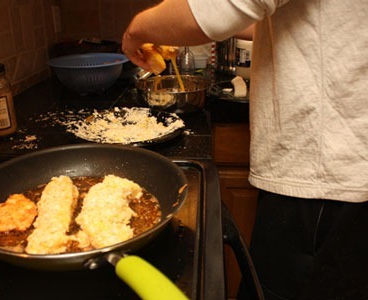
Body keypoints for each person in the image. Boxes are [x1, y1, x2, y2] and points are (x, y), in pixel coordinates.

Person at [122, 0, 368, 299]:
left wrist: (136, 32)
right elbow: (278, 20)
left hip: (322, 181)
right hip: (337, 172)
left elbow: (216, 8)